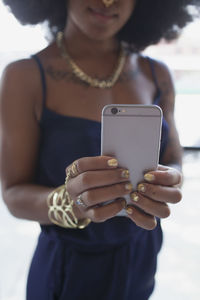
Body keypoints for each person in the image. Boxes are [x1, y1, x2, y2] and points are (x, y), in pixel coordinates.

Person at [0, 0, 199, 299]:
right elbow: (13, 194)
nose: (108, 1)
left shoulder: (157, 75)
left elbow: (172, 160)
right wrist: (71, 203)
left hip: (141, 257)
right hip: (68, 270)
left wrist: (168, 180)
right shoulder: (24, 76)